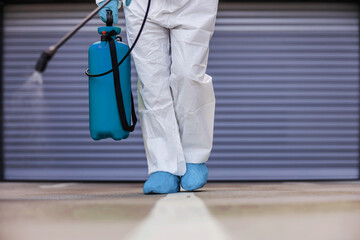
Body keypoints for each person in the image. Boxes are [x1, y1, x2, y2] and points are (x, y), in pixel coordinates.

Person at [96, 0, 218, 194]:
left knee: (189, 76)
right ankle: (164, 166)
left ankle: (194, 157)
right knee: (152, 84)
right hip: (141, 5)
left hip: (193, 5)